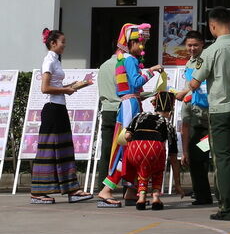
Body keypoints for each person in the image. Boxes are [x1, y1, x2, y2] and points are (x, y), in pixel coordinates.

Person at [177, 7, 230, 221]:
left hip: (219, 112)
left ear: (212, 26)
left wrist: (183, 92)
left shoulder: (210, 52)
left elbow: (196, 81)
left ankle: (226, 208)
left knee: (223, 160)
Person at [97, 23, 162, 207]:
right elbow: (135, 81)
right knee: (125, 150)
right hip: (130, 106)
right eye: (140, 43)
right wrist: (151, 71)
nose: (142, 47)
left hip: (129, 104)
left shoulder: (122, 59)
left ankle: (131, 192)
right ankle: (106, 190)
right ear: (131, 43)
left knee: (131, 149)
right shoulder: (130, 60)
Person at [30, 29, 94, 204]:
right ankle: (37, 192)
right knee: (47, 150)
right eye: (62, 42)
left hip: (58, 108)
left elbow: (56, 86)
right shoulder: (49, 61)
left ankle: (72, 190)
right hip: (52, 109)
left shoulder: (55, 61)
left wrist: (76, 85)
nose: (64, 45)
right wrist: (66, 90)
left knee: (65, 148)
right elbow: (45, 88)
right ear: (52, 43)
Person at [121, 91, 182, 210]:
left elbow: (127, 136)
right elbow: (173, 157)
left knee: (141, 168)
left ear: (155, 105)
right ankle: (155, 197)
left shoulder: (140, 116)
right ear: (171, 108)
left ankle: (141, 196)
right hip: (154, 150)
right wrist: (178, 184)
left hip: (135, 150)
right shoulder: (168, 124)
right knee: (158, 167)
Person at [179, 31, 213, 205]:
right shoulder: (189, 63)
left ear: (202, 44)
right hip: (198, 121)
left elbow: (195, 85)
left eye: (196, 45)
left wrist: (184, 93)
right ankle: (203, 196)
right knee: (197, 157)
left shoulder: (207, 58)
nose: (192, 48)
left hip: (212, 121)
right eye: (189, 45)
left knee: (219, 158)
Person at [96, 51, 121, 193]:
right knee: (125, 151)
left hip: (106, 111)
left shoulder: (103, 66)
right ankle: (129, 190)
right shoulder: (122, 65)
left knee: (106, 151)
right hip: (121, 111)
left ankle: (102, 186)